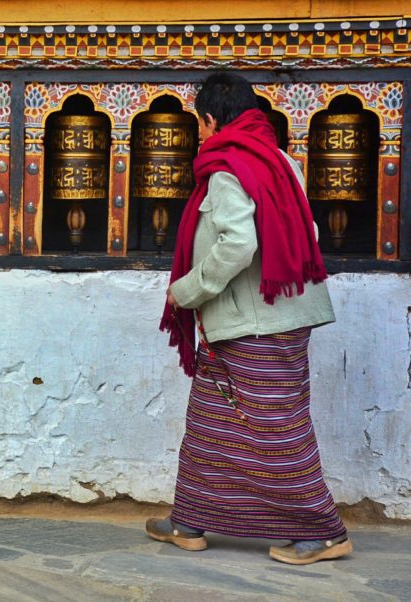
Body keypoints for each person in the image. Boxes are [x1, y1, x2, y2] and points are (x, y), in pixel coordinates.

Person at [148, 72, 352, 565]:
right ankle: (190, 519)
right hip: (275, 313)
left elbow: (238, 244)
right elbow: (310, 231)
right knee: (209, 422)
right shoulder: (282, 161)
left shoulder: (226, 169)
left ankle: (322, 531)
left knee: (276, 427)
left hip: (253, 323)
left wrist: (190, 290)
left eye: (202, 123)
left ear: (212, 119)